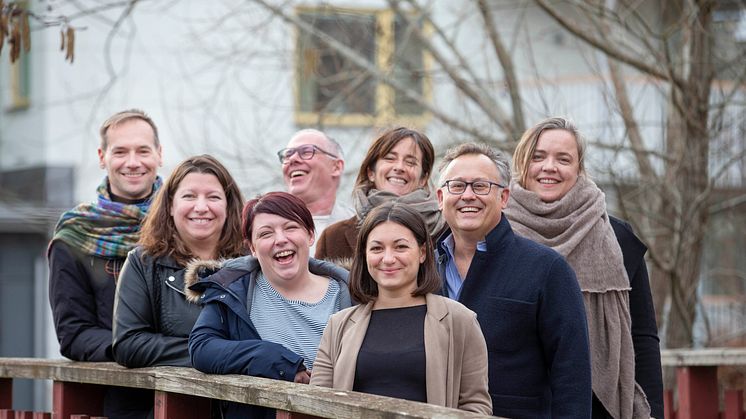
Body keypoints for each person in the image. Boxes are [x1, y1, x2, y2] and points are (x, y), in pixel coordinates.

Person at [504, 117, 663, 419]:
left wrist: (654, 409)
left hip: (599, 407)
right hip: (517, 404)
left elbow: (643, 336)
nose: (549, 167)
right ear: (521, 164)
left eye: (563, 159)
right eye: (538, 157)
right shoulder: (496, 235)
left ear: (579, 169)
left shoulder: (618, 239)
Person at [435, 142, 592, 418]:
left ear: (504, 197)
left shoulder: (546, 269)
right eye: (457, 186)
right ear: (440, 197)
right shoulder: (419, 268)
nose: (468, 196)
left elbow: (572, 374)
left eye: (481, 186)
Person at [311, 202, 492, 415]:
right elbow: (318, 404)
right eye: (377, 248)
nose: (388, 259)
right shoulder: (338, 325)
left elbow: (476, 406)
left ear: (422, 252)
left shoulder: (460, 320)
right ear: (365, 255)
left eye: (401, 247)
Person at [186, 191, 352, 419]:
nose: (280, 239)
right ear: (252, 247)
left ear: (310, 234)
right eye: (266, 233)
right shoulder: (233, 289)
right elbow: (202, 348)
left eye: (291, 227)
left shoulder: (351, 293)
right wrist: (276, 360)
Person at [48, 109, 162, 418]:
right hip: (120, 400)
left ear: (159, 155)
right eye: (120, 151)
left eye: (143, 151)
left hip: (200, 395)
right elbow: (74, 334)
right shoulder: (75, 235)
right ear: (102, 157)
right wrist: (140, 348)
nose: (133, 162)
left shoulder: (189, 221)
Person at [112, 154, 245, 370]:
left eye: (213, 197)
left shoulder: (252, 263)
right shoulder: (143, 263)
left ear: (229, 207)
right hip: (165, 401)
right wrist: (214, 353)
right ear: (171, 206)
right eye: (189, 196)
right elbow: (129, 344)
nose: (201, 207)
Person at [315, 127, 444, 261]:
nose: (399, 167)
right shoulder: (334, 238)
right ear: (371, 172)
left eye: (410, 162)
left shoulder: (447, 233)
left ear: (423, 179)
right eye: (389, 158)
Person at [278, 129, 354, 254]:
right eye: (287, 155)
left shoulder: (360, 228)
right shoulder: (264, 227)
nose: (293, 159)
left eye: (307, 152)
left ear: (336, 167)